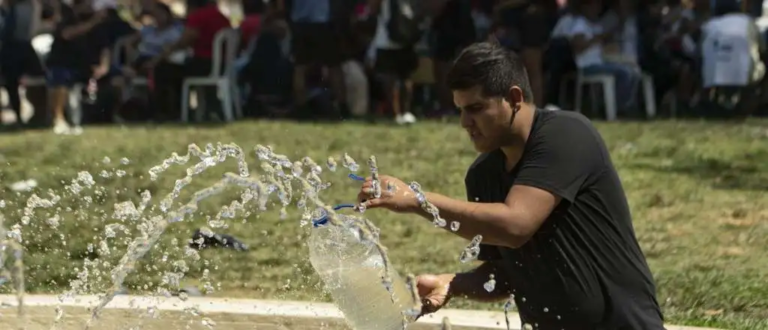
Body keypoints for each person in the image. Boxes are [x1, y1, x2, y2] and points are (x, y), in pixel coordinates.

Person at [356, 42, 664, 329]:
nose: (465, 122)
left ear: (514, 98)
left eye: (475, 108)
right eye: (460, 109)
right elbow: (508, 273)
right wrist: (453, 283)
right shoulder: (483, 174)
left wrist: (418, 200)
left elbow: (515, 225)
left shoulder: (566, 135)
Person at [45, 0, 109, 133]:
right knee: (60, 77)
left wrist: (104, 66)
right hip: (63, 63)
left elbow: (105, 47)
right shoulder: (66, 14)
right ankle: (59, 119)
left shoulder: (98, 21)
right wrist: (93, 22)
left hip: (87, 65)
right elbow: (67, 34)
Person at [0, 0, 43, 131]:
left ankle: (38, 115)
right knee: (10, 85)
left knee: (37, 80)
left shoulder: (28, 6)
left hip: (22, 46)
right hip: (4, 47)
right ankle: (13, 118)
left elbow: (33, 28)